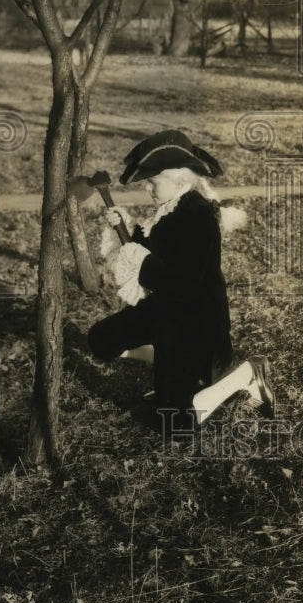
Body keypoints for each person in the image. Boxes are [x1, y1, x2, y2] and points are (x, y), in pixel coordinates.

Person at [87, 129, 275, 432]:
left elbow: (184, 283)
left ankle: (243, 374)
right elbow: (153, 253)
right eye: (148, 181)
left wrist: (139, 258)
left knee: (176, 425)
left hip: (194, 323)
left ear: (181, 180)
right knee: (101, 340)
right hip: (165, 308)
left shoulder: (197, 217)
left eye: (153, 182)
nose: (148, 188)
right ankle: (173, 370)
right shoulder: (167, 209)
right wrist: (125, 229)